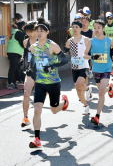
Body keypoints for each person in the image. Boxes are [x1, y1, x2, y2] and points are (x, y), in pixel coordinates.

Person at [29, 17, 69, 148]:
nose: (39, 33)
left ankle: (63, 103)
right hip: (40, 83)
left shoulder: (52, 45)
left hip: (53, 82)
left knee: (54, 110)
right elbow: (33, 62)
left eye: (42, 31)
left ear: (47, 32)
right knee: (36, 109)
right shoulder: (33, 47)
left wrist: (51, 67)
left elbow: (64, 60)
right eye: (37, 31)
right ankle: (37, 139)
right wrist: (30, 69)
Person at [84, 20, 113, 125]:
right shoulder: (91, 41)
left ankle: (97, 116)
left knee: (101, 92)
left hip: (106, 69)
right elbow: (85, 55)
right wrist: (92, 57)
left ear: (103, 29)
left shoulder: (109, 40)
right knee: (101, 89)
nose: (96, 30)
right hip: (96, 69)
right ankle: (109, 88)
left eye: (98, 27)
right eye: (95, 28)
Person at [65, 21, 92, 115]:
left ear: (81, 29)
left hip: (84, 66)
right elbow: (66, 51)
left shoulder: (86, 40)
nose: (75, 29)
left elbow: (90, 52)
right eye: (73, 27)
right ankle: (86, 105)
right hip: (74, 67)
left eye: (77, 27)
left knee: (78, 84)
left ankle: (87, 90)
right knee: (78, 89)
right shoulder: (69, 41)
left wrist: (92, 59)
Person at [21, 21, 37, 127]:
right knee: (26, 93)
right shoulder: (26, 42)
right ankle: (25, 118)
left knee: (51, 102)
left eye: (31, 31)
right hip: (30, 71)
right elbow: (26, 54)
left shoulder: (43, 41)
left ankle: (62, 103)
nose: (29, 33)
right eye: (27, 31)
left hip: (43, 72)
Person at [6, 21, 25, 89]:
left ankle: (18, 81)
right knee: (13, 67)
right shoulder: (19, 33)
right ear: (23, 27)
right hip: (14, 52)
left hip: (12, 51)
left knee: (17, 67)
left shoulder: (15, 31)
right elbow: (22, 43)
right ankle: (10, 83)